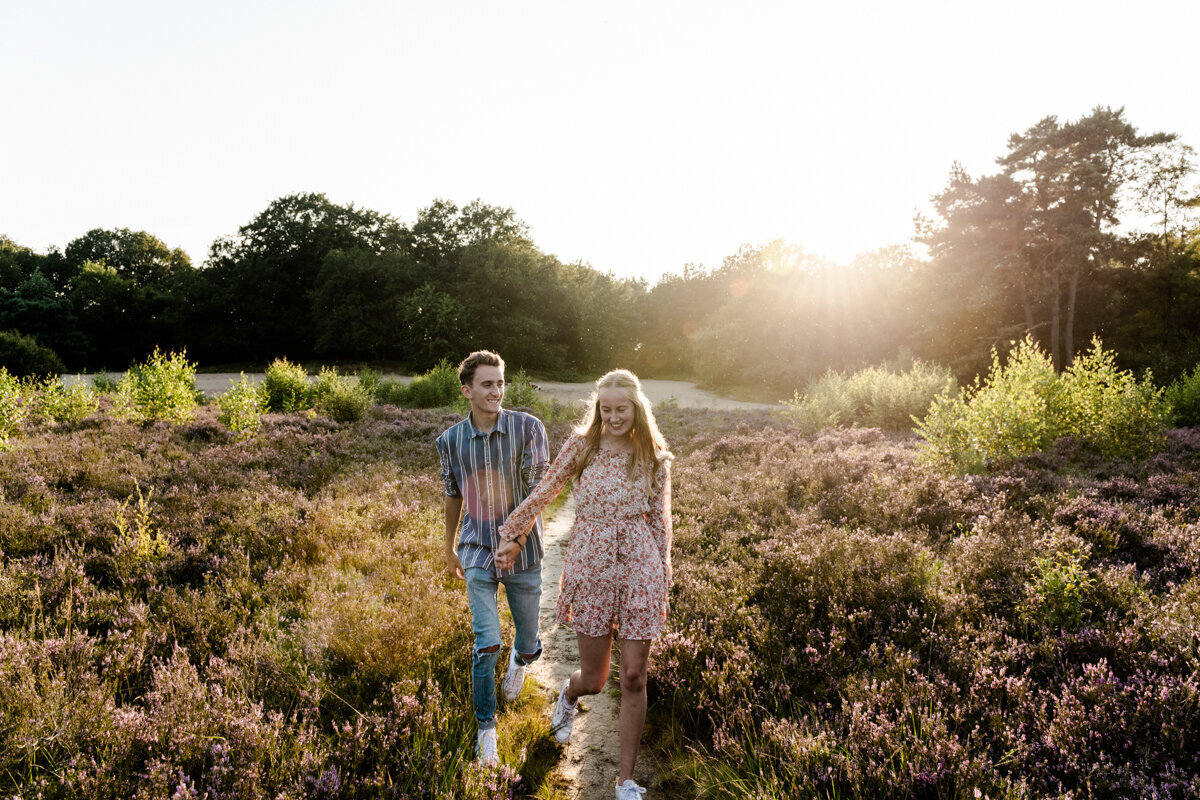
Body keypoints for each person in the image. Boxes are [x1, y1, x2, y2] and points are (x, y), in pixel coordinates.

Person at [496, 369, 672, 800]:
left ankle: (624, 781)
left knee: (633, 676)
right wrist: (513, 531)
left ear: (637, 408)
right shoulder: (582, 446)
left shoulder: (653, 456)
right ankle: (569, 695)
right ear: (598, 407)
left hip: (639, 565)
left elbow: (661, 521)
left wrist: (663, 575)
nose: (613, 417)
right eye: (606, 409)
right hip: (590, 561)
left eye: (621, 409)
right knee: (594, 679)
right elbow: (545, 491)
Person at [435, 350, 549, 767]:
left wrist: (517, 540)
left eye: (500, 383)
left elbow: (540, 493)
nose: (496, 390)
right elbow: (453, 495)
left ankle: (522, 660)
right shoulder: (449, 441)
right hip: (477, 549)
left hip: (525, 553)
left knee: (527, 643)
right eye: (487, 384)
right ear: (467, 390)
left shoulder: (529, 428)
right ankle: (487, 730)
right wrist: (449, 547)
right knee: (487, 643)